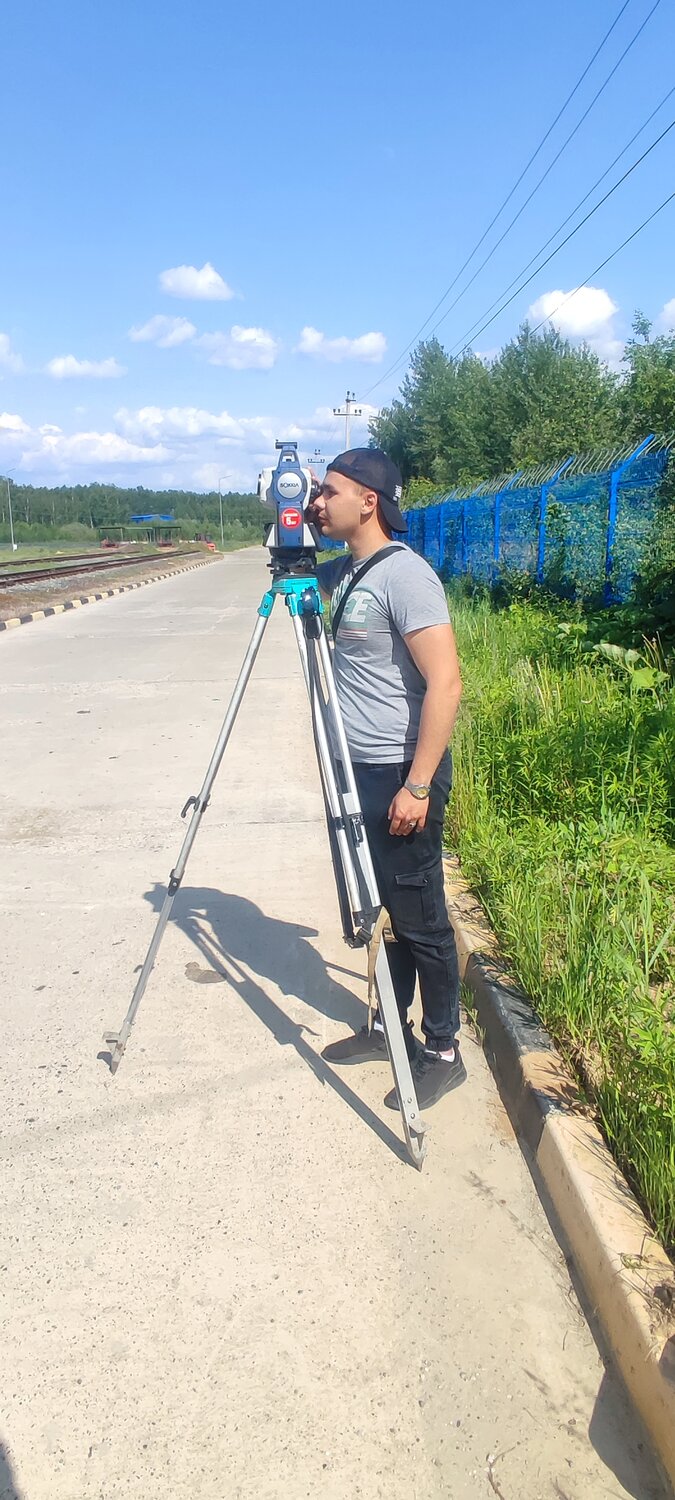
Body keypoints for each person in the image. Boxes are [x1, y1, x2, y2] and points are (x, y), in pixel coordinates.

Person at [309, 447, 465, 1111]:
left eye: (328, 492)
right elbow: (294, 571)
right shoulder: (343, 572)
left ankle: (443, 1050)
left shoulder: (405, 575)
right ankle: (388, 1028)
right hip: (356, 771)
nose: (317, 503)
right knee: (383, 910)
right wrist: (290, 533)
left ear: (367, 500)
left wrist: (418, 785)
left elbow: (446, 683)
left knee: (419, 916)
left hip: (401, 771)